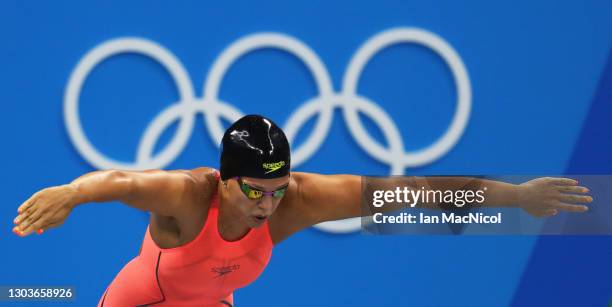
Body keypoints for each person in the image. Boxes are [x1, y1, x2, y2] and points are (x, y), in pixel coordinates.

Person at [12, 115, 592, 306]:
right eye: (254, 192)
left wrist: (515, 196)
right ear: (226, 180)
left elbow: (417, 192)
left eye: (277, 190)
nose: (269, 205)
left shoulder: (301, 200)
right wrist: (70, 193)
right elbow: (119, 182)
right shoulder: (191, 196)